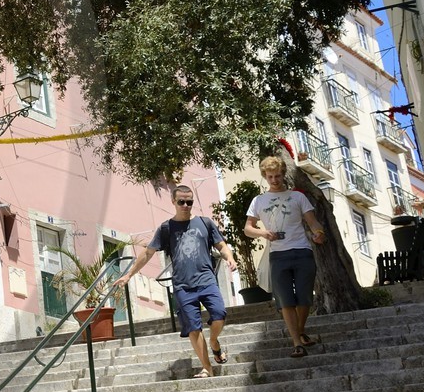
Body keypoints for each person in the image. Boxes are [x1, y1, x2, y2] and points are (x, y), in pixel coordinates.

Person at [116, 184, 236, 378]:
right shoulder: (166, 228)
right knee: (193, 327)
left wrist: (229, 257)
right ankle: (207, 367)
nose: (186, 205)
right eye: (181, 202)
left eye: (189, 202)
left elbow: (221, 245)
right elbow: (148, 253)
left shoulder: (205, 223)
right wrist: (129, 275)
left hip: (206, 280)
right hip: (182, 286)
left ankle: (214, 341)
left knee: (219, 313)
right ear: (173, 202)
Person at [245, 154, 326, 357]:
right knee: (285, 301)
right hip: (278, 255)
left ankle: (299, 331)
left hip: (302, 252)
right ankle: (297, 342)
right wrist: (264, 233)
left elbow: (312, 221)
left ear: (283, 175)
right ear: (265, 176)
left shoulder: (298, 197)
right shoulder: (259, 201)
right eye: (270, 176)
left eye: (278, 176)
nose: (274, 180)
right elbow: (248, 228)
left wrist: (319, 233)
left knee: (305, 298)